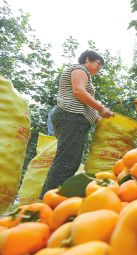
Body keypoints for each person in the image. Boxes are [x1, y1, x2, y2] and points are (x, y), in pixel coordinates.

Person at [40, 50, 113, 197]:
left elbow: (83, 102)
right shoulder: (80, 69)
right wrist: (100, 108)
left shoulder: (83, 73)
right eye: (98, 64)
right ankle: (50, 200)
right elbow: (78, 91)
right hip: (71, 118)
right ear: (87, 59)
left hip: (73, 119)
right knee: (67, 161)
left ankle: (49, 198)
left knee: (68, 159)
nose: (99, 68)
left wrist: (98, 116)